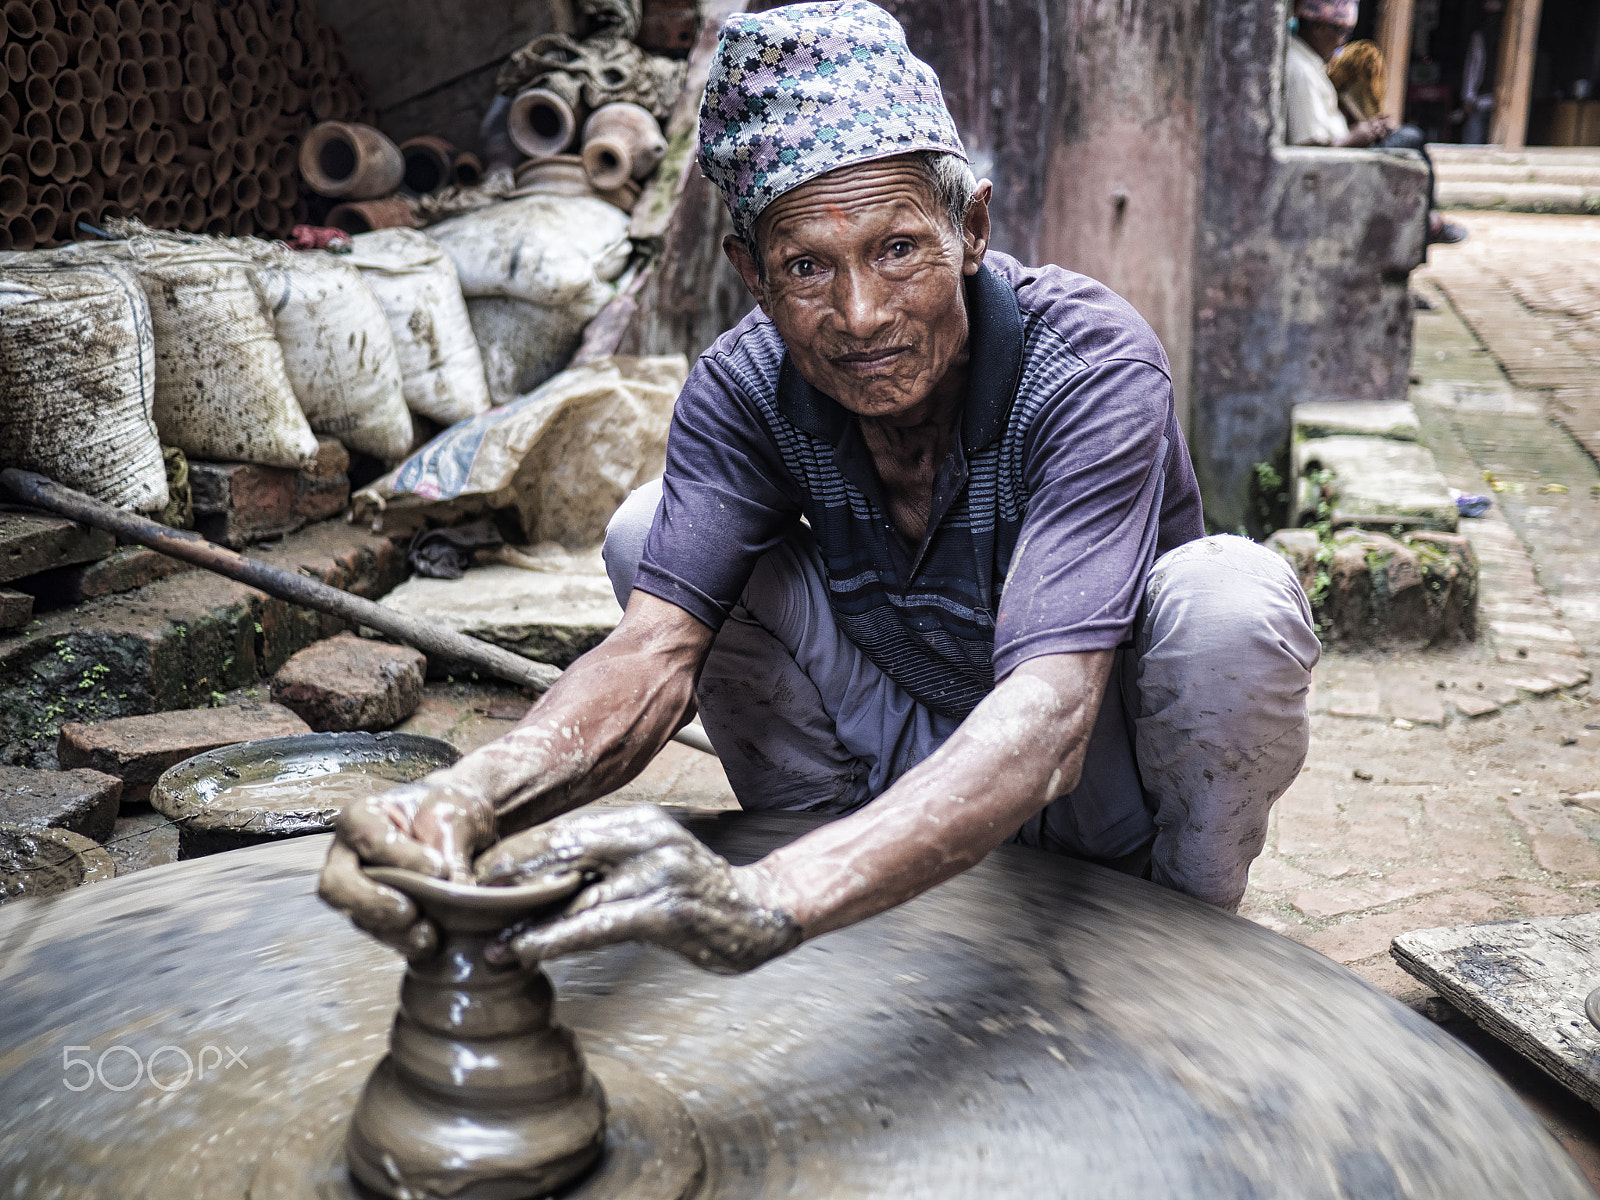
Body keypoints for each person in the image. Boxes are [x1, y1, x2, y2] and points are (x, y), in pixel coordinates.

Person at [318, 0, 1320, 975]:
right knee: (643, 536)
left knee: (1232, 600)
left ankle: (1188, 948)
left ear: (970, 230)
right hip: (903, 753)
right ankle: (822, 860)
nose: (860, 314)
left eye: (896, 250)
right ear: (749, 272)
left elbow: (1053, 712)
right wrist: (468, 795)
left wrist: (773, 900)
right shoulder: (744, 387)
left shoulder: (1089, 366)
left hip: (1093, 767)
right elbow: (652, 654)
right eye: (806, 266)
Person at [1284, 0, 1467, 245]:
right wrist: (1357, 137)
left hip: (1341, 152)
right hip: (1332, 167)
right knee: (1410, 138)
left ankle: (1428, 219)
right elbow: (1311, 152)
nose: (1342, 41)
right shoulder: (1300, 71)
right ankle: (1428, 223)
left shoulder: (1309, 62)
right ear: (1318, 28)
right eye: (1340, 32)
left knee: (1404, 137)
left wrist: (1366, 129)